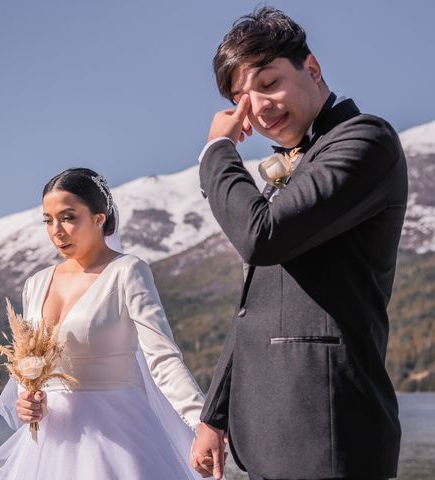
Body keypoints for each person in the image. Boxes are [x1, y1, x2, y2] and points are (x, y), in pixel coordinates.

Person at [191, 7, 406, 480]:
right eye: (241, 99)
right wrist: (215, 414)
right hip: (271, 433)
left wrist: (216, 153)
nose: (259, 107)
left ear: (311, 69)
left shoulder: (365, 139)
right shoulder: (289, 166)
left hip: (327, 429)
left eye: (268, 84)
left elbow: (260, 238)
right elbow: (254, 304)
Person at [0, 168, 211, 479]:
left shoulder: (127, 271)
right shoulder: (35, 284)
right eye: (48, 220)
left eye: (68, 217)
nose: (57, 231)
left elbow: (162, 359)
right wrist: (27, 402)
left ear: (99, 218)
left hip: (117, 436)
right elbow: (31, 369)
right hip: (49, 445)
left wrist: (203, 423)